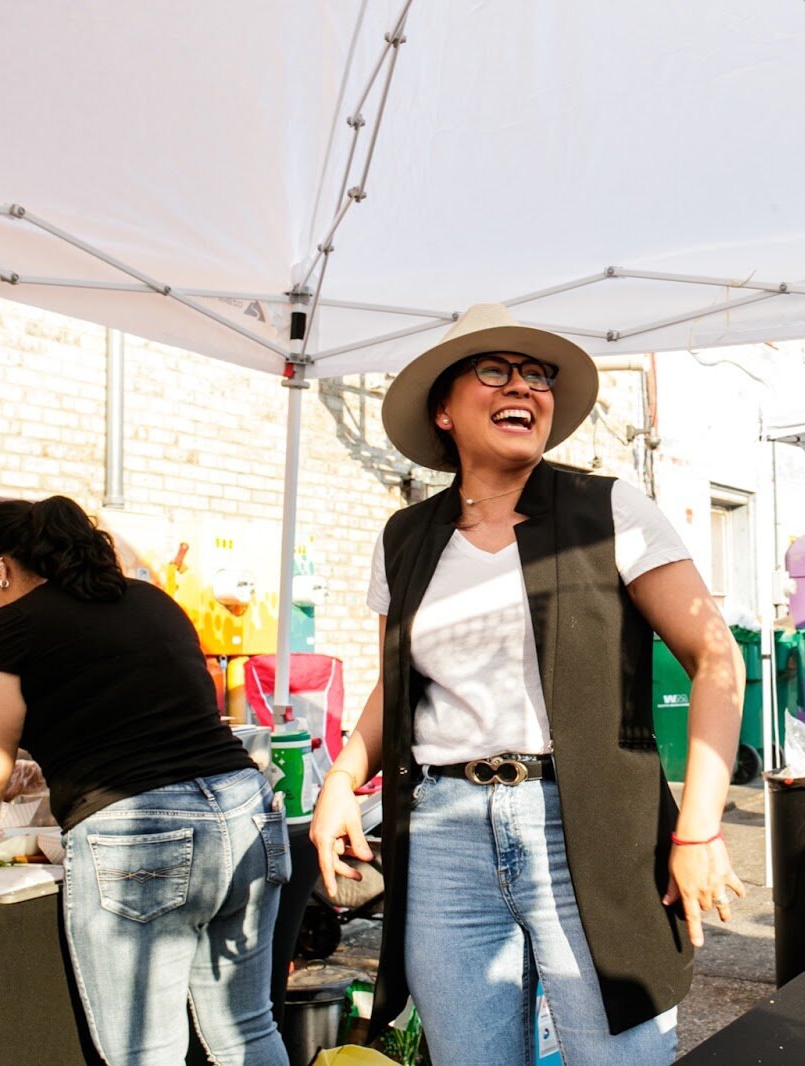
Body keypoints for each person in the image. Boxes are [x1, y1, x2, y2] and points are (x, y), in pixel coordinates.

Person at [309, 303, 745, 1065]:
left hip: (586, 825)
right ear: (443, 410)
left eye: (537, 375)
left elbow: (717, 658)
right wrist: (343, 778)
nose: (526, 387)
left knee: (618, 1056)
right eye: (496, 371)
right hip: (442, 833)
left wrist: (699, 829)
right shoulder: (406, 537)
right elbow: (399, 685)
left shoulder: (609, 511)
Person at [0, 496, 288, 1065]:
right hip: (246, 812)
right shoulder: (152, 600)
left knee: (145, 1053)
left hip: (141, 831)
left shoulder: (14, 625)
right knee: (246, 1031)